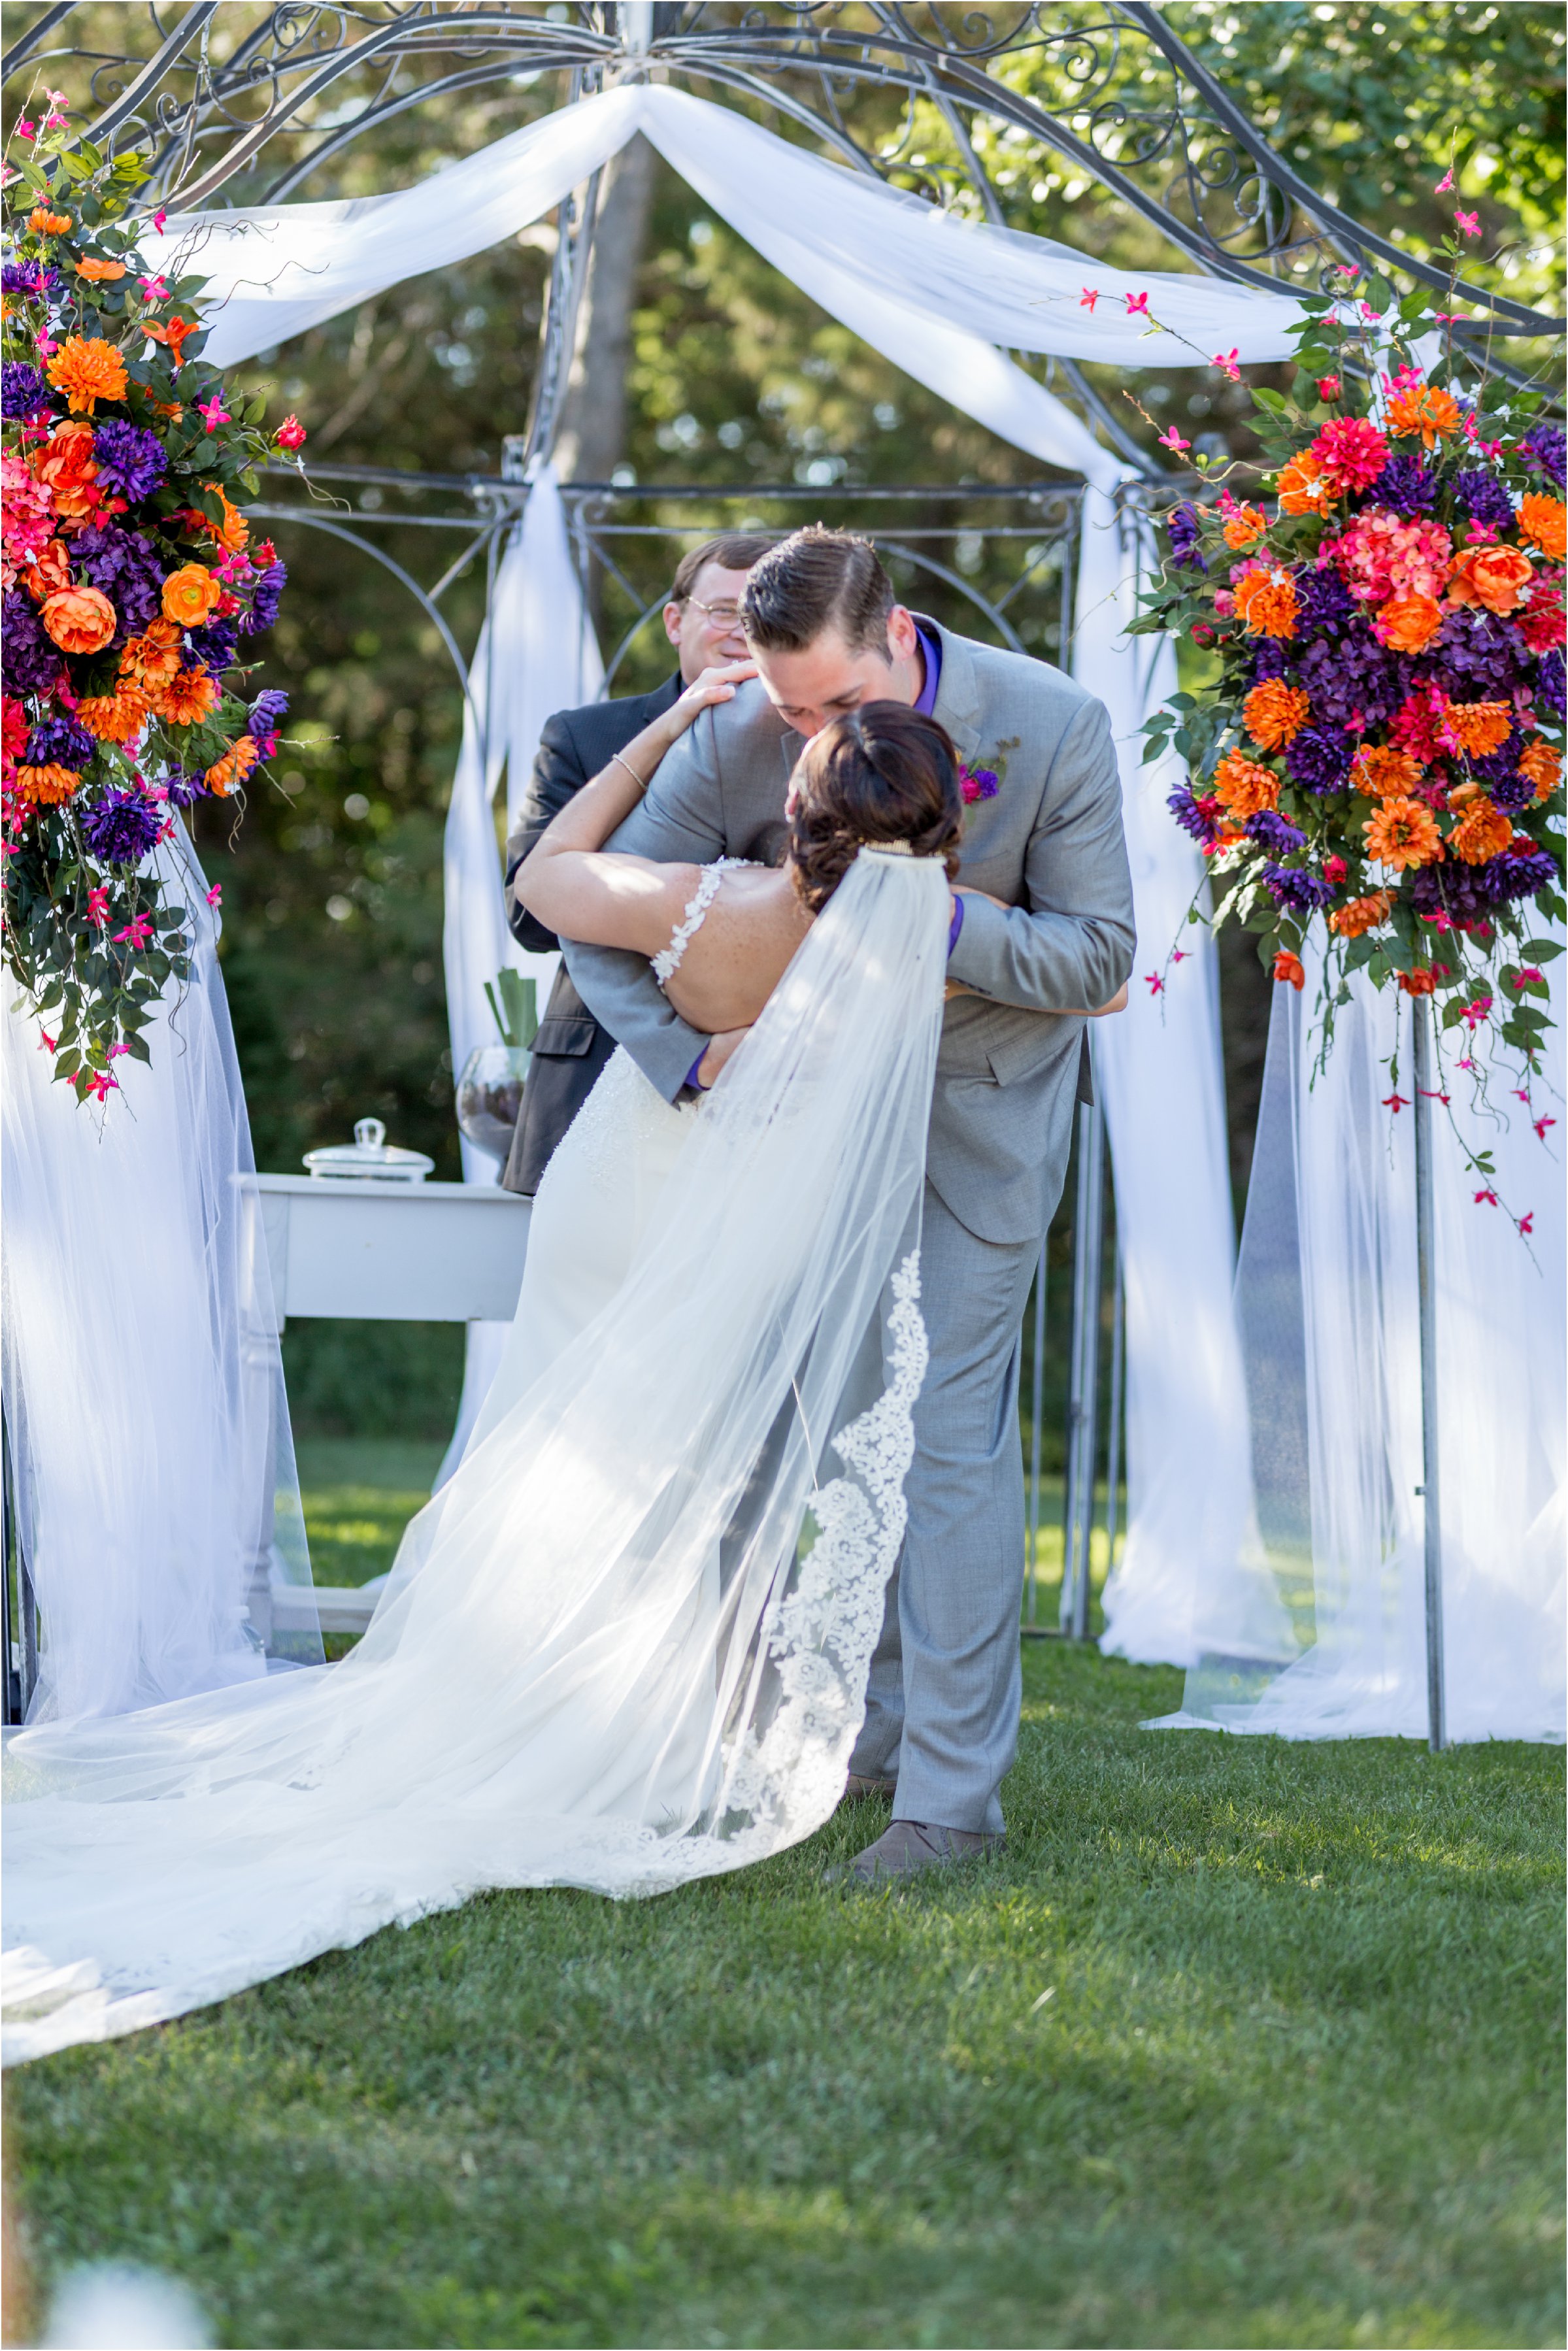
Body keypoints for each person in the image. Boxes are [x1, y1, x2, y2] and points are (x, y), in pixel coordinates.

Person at [2, 709, 983, 2063]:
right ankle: (617, 1733)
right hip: (738, 1242)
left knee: (548, 1455)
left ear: (808, 805)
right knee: (650, 1487)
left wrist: (673, 729)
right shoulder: (908, 948)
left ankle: (498, 1713)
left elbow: (544, 878)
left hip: (624, 1198)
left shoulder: (722, 900)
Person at [563, 525, 1135, 1882]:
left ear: (899, 637)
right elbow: (596, 912)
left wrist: (919, 917)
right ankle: (828, 1734)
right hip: (797, 1124)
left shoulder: (1051, 724)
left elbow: (1101, 955)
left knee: (942, 1436)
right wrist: (684, 1053)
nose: (809, 733)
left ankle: (946, 1803)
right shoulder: (740, 725)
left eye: (836, 705)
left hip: (975, 1122)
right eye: (790, 709)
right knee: (797, 1426)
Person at [500, 532, 773, 1197]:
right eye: (722, 611)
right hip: (595, 1075)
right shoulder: (583, 736)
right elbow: (529, 917)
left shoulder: (816, 743)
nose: (742, 631)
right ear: (675, 621)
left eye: (765, 612)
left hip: (754, 1089)